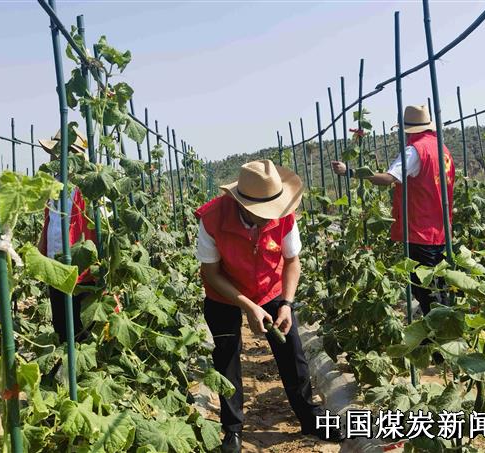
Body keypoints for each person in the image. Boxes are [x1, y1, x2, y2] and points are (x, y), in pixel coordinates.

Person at [195, 159, 344, 452]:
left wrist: (286, 303)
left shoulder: (284, 215)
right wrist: (248, 306)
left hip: (270, 287)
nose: (271, 217)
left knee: (292, 352)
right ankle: (232, 429)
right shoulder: (212, 219)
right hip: (223, 292)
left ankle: (310, 416)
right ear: (243, 205)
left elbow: (291, 261)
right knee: (227, 356)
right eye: (264, 213)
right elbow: (210, 273)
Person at [331, 104, 455, 316]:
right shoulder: (443, 150)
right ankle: (443, 325)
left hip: (420, 231)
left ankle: (435, 332)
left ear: (407, 130)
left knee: (425, 290)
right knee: (440, 286)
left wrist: (350, 172)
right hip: (442, 229)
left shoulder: (414, 151)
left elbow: (388, 178)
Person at [37, 128, 97, 343]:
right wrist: (40, 254)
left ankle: (80, 359)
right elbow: (49, 222)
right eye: (53, 154)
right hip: (56, 267)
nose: (53, 159)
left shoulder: (88, 187)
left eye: (57, 153)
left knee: (82, 329)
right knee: (61, 325)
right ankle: (65, 355)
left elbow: (99, 228)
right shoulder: (54, 186)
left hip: (82, 272)